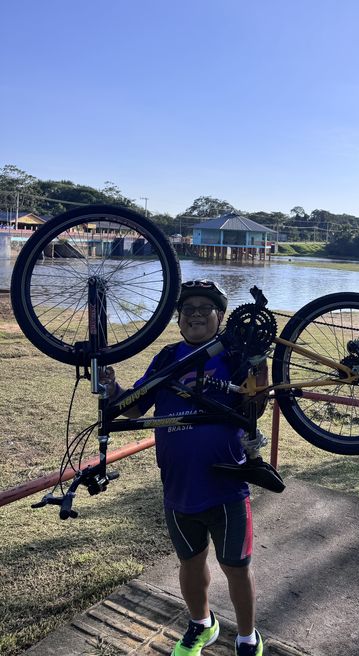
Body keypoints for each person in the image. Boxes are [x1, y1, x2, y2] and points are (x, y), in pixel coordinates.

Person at [101, 280, 265, 656]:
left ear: (221, 316)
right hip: (178, 489)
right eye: (187, 309)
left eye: (205, 308)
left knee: (236, 567)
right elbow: (135, 406)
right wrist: (112, 389)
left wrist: (258, 361)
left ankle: (246, 637)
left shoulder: (233, 355)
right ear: (177, 318)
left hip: (228, 488)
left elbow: (257, 405)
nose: (195, 315)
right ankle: (201, 624)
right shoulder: (166, 358)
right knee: (190, 562)